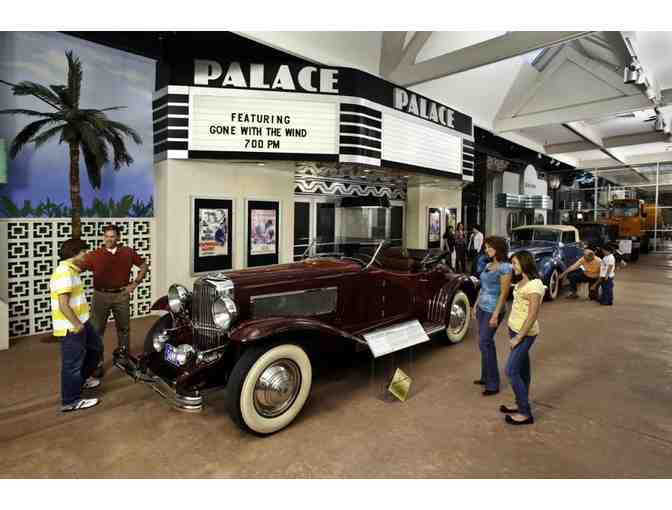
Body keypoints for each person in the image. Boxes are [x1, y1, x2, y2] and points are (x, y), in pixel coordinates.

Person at [82, 224, 148, 373]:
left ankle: (123, 358)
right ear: (103, 237)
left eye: (112, 236)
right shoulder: (94, 255)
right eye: (106, 236)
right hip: (100, 296)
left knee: (123, 328)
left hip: (121, 295)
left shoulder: (127, 252)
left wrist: (134, 284)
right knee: (97, 330)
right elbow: (77, 268)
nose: (108, 239)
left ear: (118, 237)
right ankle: (96, 363)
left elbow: (144, 265)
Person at [50, 238, 103, 412]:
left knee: (95, 349)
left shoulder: (73, 270)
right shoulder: (64, 272)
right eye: (84, 252)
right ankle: (71, 400)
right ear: (75, 254)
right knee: (72, 364)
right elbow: (63, 304)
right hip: (72, 326)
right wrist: (76, 323)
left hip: (82, 321)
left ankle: (82, 379)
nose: (86, 255)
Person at [502, 250, 544, 425]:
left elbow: (533, 315)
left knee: (510, 370)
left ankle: (525, 413)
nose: (513, 267)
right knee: (522, 370)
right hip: (515, 330)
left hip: (525, 334)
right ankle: (520, 402)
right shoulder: (522, 281)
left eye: (516, 264)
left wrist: (518, 338)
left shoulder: (535, 285)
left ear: (525, 264)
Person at [471, 236, 512, 396]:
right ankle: (485, 376)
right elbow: (483, 287)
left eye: (489, 248)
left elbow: (504, 293)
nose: (486, 250)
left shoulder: (505, 268)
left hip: (494, 309)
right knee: (485, 343)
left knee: (484, 341)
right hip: (482, 307)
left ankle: (493, 384)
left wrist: (495, 315)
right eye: (486, 247)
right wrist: (475, 306)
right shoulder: (488, 264)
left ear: (498, 249)